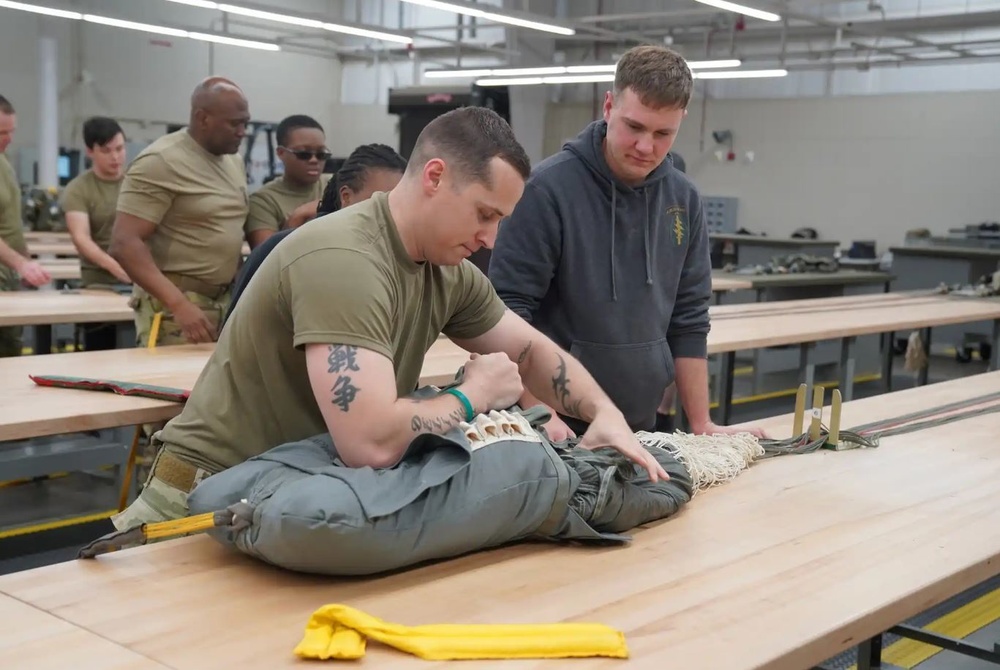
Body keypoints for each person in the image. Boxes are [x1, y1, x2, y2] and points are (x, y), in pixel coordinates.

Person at [110, 106, 669, 532]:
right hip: (204, 501)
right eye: (483, 214)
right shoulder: (345, 259)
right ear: (433, 176)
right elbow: (371, 443)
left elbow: (528, 351)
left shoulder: (446, 270)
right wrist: (471, 397)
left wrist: (603, 413)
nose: (489, 239)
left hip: (290, 497)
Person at [488, 46, 765, 440]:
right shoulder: (546, 191)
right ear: (607, 106)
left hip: (638, 424)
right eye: (634, 127)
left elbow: (689, 318)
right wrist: (538, 410)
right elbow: (504, 315)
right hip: (556, 428)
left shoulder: (684, 200)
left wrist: (702, 424)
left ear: (681, 122)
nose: (646, 147)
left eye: (662, 133)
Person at [110, 77, 251, 347]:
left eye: (245, 122)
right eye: (234, 123)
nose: (242, 131)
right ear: (202, 118)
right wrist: (179, 304)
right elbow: (123, 243)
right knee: (171, 388)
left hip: (221, 304)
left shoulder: (233, 161)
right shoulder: (161, 161)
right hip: (176, 310)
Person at [222, 142, 406, 328]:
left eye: (397, 204)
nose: (388, 214)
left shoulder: (383, 250)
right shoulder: (317, 252)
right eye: (379, 202)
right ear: (346, 197)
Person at [61, 116, 130, 351]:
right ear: (90, 151)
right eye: (107, 150)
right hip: (99, 284)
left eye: (120, 149)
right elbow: (82, 240)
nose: (115, 157)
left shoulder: (137, 183)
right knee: (101, 354)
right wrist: (117, 268)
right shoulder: (79, 190)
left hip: (140, 280)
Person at [0, 94, 51, 357]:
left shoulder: (4, 163)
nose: (8, 139)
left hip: (8, 276)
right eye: (1, 132)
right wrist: (21, 264)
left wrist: (26, 262)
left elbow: (11, 224)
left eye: (11, 131)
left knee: (10, 350)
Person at [244, 114, 330, 249]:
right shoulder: (263, 201)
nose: (314, 160)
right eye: (303, 154)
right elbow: (264, 257)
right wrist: (298, 217)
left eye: (321, 154)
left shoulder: (338, 185)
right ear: (281, 153)